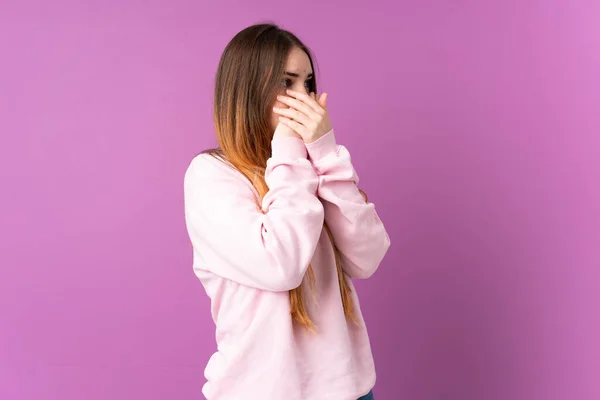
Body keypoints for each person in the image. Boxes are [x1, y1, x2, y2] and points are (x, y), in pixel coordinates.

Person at [183, 22, 390, 400]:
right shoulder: (211, 176)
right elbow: (281, 265)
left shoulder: (314, 168)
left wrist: (325, 153)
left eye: (308, 84)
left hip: (349, 391)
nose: (306, 99)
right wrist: (292, 150)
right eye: (287, 83)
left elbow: (368, 256)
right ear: (248, 91)